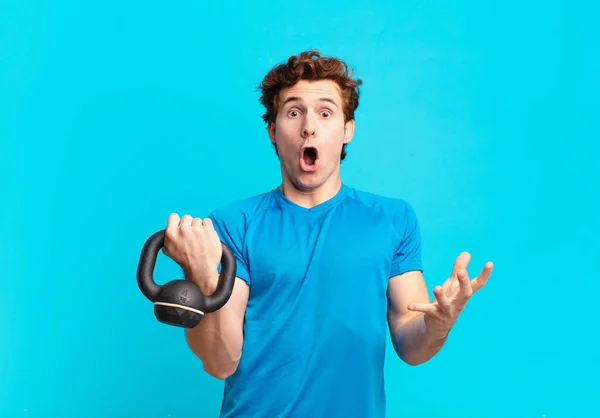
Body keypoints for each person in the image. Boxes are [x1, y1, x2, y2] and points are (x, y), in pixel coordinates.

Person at [162, 50, 494, 418]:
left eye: (325, 112)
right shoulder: (233, 223)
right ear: (272, 129)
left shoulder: (393, 219)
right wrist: (203, 277)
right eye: (293, 112)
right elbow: (221, 362)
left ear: (347, 129)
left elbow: (411, 346)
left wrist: (437, 325)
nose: (309, 127)